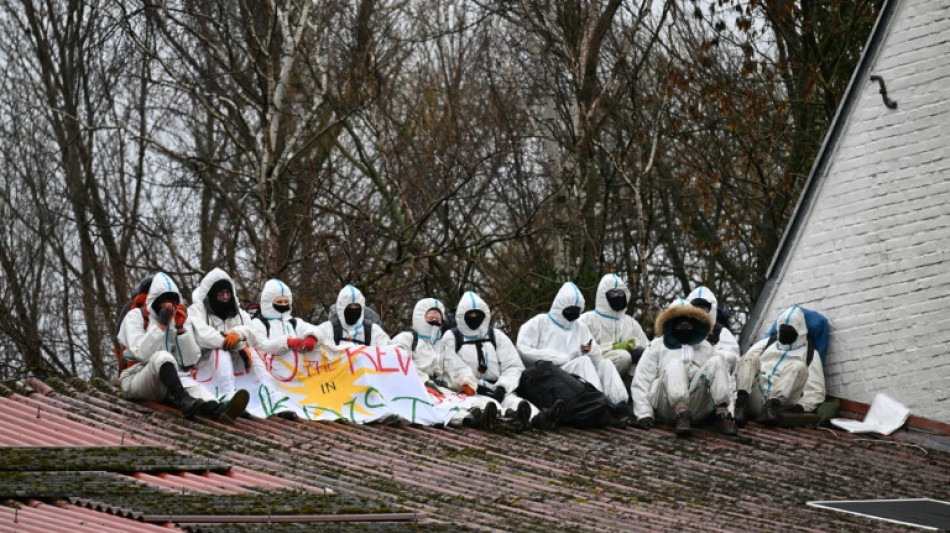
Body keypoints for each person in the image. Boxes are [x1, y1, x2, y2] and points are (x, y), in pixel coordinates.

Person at [116, 272, 248, 423]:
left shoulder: (179, 320)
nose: (169, 307)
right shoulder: (135, 316)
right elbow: (141, 353)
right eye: (163, 302)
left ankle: (219, 412)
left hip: (170, 381)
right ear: (153, 301)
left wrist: (180, 330)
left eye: (173, 302)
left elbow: (190, 360)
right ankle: (183, 400)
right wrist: (161, 325)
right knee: (163, 356)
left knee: (199, 391)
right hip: (136, 378)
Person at [442, 291, 562, 430]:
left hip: (498, 387)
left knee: (518, 403)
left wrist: (503, 386)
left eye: (477, 314)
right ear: (462, 316)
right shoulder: (451, 338)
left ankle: (539, 419)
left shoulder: (496, 336)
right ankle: (508, 419)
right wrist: (473, 384)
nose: (474, 318)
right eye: (470, 315)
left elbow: (513, 365)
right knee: (488, 405)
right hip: (471, 391)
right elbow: (449, 369)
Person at [631, 298, 737, 437]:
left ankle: (722, 415)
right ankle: (681, 413)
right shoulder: (657, 346)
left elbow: (726, 380)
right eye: (679, 323)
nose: (684, 327)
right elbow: (641, 381)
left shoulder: (705, 347)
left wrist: (731, 410)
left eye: (688, 323)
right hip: (666, 405)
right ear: (670, 324)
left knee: (718, 360)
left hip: (695, 407)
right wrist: (644, 414)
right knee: (676, 364)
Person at [517, 282, 630, 411]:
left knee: (606, 364)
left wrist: (589, 356)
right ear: (560, 307)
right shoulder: (540, 323)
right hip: (549, 377)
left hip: (575, 379)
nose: (573, 314)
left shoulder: (580, 328)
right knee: (583, 362)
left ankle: (619, 403)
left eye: (576, 311)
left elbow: (591, 351)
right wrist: (561, 358)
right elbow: (523, 349)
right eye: (570, 310)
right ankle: (597, 403)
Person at [391, 297, 499, 429]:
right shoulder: (406, 338)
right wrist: (423, 382)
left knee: (473, 400)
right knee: (439, 405)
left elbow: (457, 368)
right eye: (431, 313)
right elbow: (397, 363)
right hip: (412, 389)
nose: (435, 317)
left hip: (436, 389)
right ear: (420, 316)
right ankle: (469, 420)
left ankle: (501, 415)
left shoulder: (440, 347)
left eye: (438, 314)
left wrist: (466, 383)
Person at [734, 305, 826, 426]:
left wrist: (802, 407)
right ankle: (740, 407)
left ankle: (770, 407)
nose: (786, 330)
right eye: (783, 327)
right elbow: (742, 367)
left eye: (790, 328)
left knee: (799, 366)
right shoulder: (767, 343)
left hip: (780, 406)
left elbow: (817, 391)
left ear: (800, 331)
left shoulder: (810, 353)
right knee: (749, 358)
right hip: (755, 396)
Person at [246, 278, 323, 420]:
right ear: (269, 303)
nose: (283, 305)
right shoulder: (257, 324)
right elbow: (261, 345)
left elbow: (317, 330)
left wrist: (312, 336)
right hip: (270, 374)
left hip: (295, 377)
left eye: (286, 302)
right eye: (279, 302)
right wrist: (288, 342)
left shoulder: (293, 323)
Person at [189, 268, 256, 404]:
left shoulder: (239, 313)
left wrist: (236, 334)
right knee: (221, 351)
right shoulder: (196, 311)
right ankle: (226, 396)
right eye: (220, 294)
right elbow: (203, 336)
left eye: (227, 293)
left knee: (255, 354)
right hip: (206, 363)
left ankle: (266, 395)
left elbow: (254, 335)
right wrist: (235, 344)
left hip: (236, 363)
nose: (225, 297)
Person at [579, 273, 650, 379]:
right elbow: (580, 349)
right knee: (623, 357)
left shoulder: (631, 323)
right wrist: (612, 347)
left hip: (627, 377)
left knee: (645, 359)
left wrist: (636, 349)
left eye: (620, 294)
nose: (617, 297)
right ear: (603, 295)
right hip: (593, 372)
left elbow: (648, 349)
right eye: (612, 294)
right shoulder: (587, 319)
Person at [315, 284, 392, 348]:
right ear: (342, 307)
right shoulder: (330, 329)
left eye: (356, 306)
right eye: (350, 306)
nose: (354, 309)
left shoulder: (372, 330)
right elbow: (315, 336)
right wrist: (311, 337)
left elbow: (389, 349)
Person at [686, 286, 740, 370]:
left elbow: (732, 357)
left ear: (711, 311)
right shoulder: (682, 329)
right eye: (696, 309)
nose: (700, 313)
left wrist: (710, 355)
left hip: (713, 375)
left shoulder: (720, 332)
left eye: (704, 309)